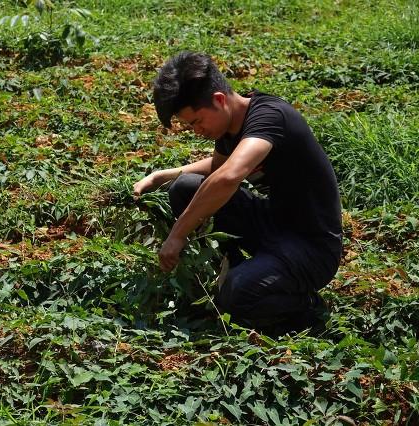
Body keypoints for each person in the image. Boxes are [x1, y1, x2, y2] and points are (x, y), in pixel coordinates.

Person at [133, 52, 342, 336]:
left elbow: (228, 176)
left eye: (196, 122)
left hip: (311, 247)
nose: (196, 131)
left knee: (236, 294)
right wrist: (164, 175)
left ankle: (305, 305)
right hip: (274, 223)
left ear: (219, 100)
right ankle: (239, 267)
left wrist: (177, 234)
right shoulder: (230, 125)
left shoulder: (269, 117)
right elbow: (218, 167)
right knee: (185, 188)